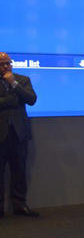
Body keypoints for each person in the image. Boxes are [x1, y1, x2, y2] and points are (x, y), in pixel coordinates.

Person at [0, 52, 38, 217]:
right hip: (1, 133)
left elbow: (31, 99)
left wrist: (13, 83)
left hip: (19, 132)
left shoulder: (22, 80)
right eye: (2, 64)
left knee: (19, 170)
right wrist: (12, 101)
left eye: (8, 63)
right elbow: (14, 102)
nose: (6, 66)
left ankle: (20, 204)